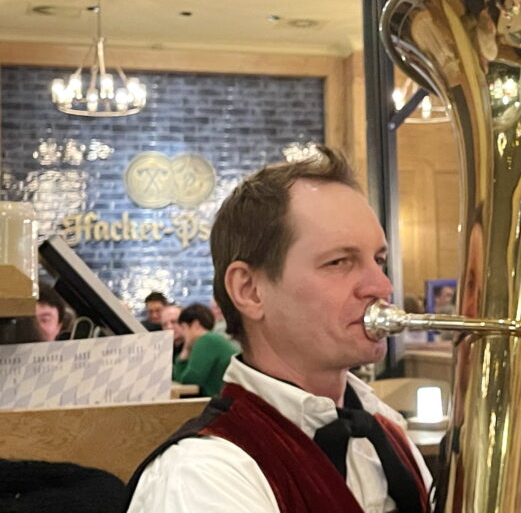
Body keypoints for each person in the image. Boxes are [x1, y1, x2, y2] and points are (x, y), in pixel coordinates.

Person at [127, 146, 431, 512]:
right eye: (339, 262)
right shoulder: (203, 474)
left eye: (378, 260)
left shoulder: (386, 426)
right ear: (249, 290)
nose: (382, 286)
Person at [172, 303, 237, 397]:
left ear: (196, 325)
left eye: (183, 328)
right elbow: (180, 378)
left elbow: (190, 380)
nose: (183, 333)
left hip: (222, 400)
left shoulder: (206, 340)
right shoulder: (212, 339)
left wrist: (185, 350)